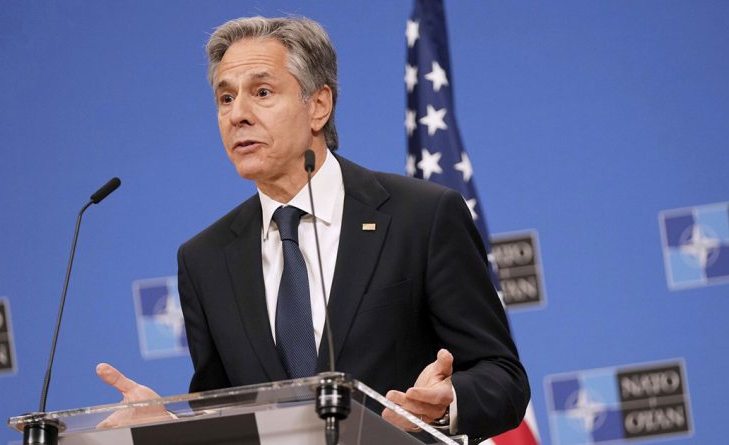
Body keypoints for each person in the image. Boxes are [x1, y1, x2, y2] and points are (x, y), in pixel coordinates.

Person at [99, 16, 530, 440]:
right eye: (225, 98)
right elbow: (223, 415)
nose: (237, 115)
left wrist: (444, 404)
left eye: (262, 92)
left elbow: (503, 376)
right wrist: (168, 429)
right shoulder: (204, 260)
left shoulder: (421, 216)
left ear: (319, 105)